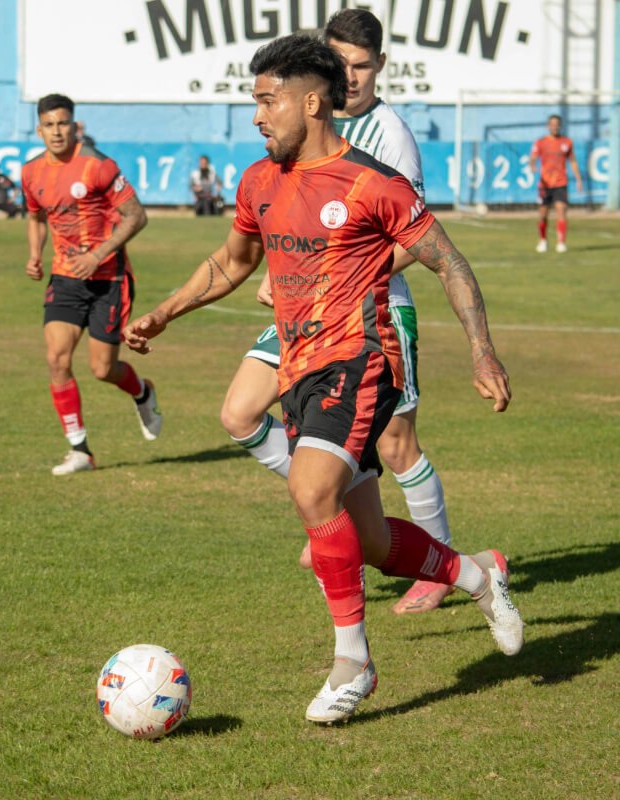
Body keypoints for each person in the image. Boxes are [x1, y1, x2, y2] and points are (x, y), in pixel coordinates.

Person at [122, 34, 523, 724]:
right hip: (301, 361)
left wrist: (482, 351)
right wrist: (163, 312)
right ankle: (476, 577)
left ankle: (353, 663)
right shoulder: (259, 182)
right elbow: (231, 262)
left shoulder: (371, 182)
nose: (256, 115)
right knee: (368, 543)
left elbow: (449, 262)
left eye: (267, 100)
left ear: (311, 102)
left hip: (362, 357)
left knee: (312, 489)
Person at [218, 9, 458, 615]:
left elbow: (414, 238)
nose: (349, 76)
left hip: (372, 315)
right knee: (240, 411)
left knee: (400, 442)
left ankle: (439, 564)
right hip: (305, 314)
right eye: (339, 63)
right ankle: (323, 501)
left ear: (379, 66)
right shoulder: (299, 139)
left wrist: (334, 276)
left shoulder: (388, 135)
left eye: (360, 65)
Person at [22, 93, 161, 475]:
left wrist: (98, 254)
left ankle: (142, 392)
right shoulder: (31, 172)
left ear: (74, 126)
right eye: (49, 125)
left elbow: (136, 216)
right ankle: (80, 450)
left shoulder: (98, 166)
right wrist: (35, 254)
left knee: (103, 369)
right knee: (56, 359)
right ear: (39, 129)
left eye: (62, 123)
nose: (56, 131)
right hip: (65, 279)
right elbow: (35, 216)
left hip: (109, 279)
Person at [529, 114, 583, 253]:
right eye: (552, 124)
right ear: (548, 126)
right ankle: (543, 240)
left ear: (560, 125)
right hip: (545, 184)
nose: (554, 126)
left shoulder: (566, 142)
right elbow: (533, 157)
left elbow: (572, 161)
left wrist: (578, 178)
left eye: (556, 124)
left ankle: (561, 242)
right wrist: (533, 165)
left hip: (560, 182)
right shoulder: (541, 142)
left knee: (561, 210)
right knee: (543, 214)